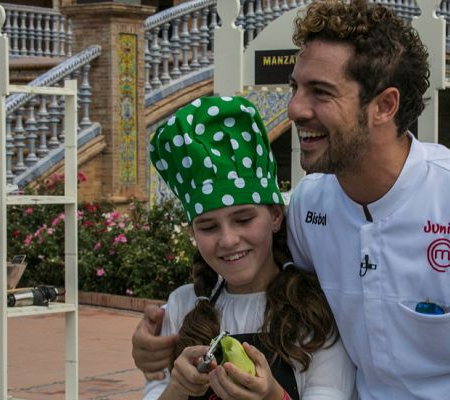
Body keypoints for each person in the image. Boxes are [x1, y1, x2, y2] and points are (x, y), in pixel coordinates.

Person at [135, 1, 450, 399]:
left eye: (320, 92)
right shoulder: (312, 206)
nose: (295, 108)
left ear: (384, 106)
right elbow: (240, 250)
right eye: (295, 88)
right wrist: (159, 345)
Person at [142, 95, 356, 400]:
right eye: (208, 226)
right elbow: (154, 389)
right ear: (192, 232)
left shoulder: (315, 311)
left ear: (275, 216)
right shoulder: (180, 307)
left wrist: (272, 396)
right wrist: (177, 388)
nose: (228, 240)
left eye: (243, 219)